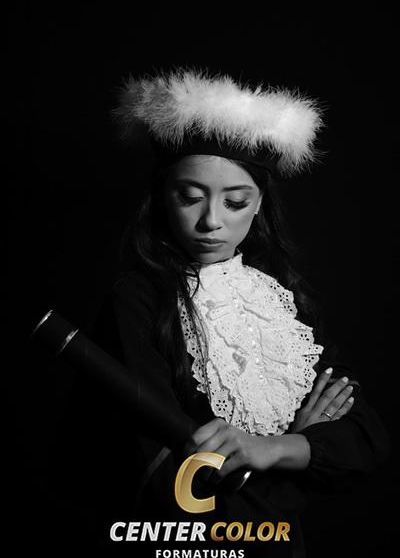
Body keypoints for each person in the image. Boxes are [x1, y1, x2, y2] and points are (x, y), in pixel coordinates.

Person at [55, 69, 389, 556]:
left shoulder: (281, 301)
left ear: (258, 205)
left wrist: (270, 448)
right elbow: (176, 489)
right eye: (190, 197)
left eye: (235, 201)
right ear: (162, 197)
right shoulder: (138, 300)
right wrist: (302, 449)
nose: (211, 220)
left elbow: (365, 440)